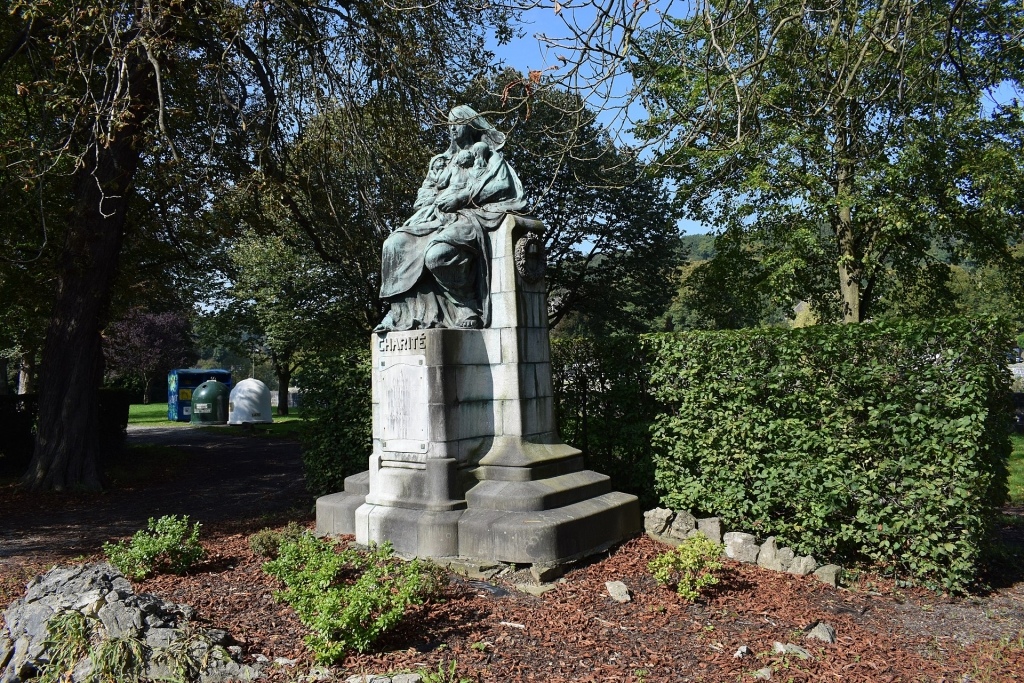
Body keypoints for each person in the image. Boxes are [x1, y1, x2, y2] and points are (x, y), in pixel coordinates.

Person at [376, 106, 526, 331]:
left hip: (470, 216)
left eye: (458, 123)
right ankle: (400, 311)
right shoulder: (440, 162)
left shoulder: (487, 156)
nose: (452, 128)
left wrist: (462, 197)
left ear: (471, 124)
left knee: (437, 254)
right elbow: (422, 196)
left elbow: (503, 185)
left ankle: (466, 304)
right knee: (393, 244)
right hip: (434, 218)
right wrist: (434, 199)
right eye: (450, 124)